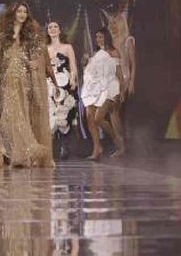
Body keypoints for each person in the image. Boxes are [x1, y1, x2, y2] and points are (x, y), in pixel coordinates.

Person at [0, 3, 54, 168]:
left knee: (22, 114)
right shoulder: (1, 37)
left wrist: (31, 64)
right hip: (6, 82)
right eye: (19, 11)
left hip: (25, 82)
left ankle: (22, 153)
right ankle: (20, 151)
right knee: (9, 116)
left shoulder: (31, 36)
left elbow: (40, 59)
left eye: (25, 11)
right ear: (12, 13)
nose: (22, 14)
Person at [44, 18, 87, 160]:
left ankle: (64, 147)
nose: (53, 29)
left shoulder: (67, 47)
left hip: (65, 83)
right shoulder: (45, 48)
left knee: (64, 115)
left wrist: (73, 80)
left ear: (60, 30)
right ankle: (51, 149)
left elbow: (73, 66)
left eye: (55, 26)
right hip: (50, 84)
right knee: (51, 115)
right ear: (47, 31)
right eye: (50, 27)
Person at [82, 25, 125, 158]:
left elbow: (119, 73)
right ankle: (96, 148)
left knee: (98, 118)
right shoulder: (95, 54)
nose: (98, 39)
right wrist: (85, 62)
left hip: (110, 87)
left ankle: (118, 141)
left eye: (101, 36)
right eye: (96, 37)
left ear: (106, 37)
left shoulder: (113, 52)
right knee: (90, 115)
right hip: (95, 88)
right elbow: (90, 72)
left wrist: (121, 91)